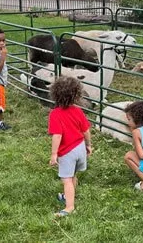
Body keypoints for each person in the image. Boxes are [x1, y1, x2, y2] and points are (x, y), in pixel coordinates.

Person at [48, 76, 92, 217]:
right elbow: (86, 131)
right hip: (80, 148)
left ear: (55, 94)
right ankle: (69, 196)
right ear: (77, 95)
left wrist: (54, 154)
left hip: (68, 151)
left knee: (66, 179)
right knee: (73, 174)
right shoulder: (78, 111)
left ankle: (69, 207)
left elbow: (57, 135)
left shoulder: (55, 114)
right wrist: (89, 145)